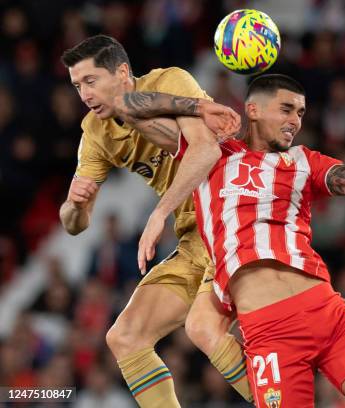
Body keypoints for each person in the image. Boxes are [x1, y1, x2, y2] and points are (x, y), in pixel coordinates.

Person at [135, 74, 345, 407]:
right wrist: (199, 106)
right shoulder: (209, 154)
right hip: (270, 332)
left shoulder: (303, 161)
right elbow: (132, 108)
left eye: (301, 113)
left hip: (327, 311)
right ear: (253, 109)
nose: (295, 120)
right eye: (286, 109)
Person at [59, 34, 252, 406]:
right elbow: (73, 224)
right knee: (125, 337)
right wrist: (77, 206)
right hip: (194, 239)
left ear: (122, 72)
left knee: (203, 327)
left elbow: (205, 149)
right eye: (77, 85)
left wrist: (159, 213)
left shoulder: (168, 82)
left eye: (90, 81)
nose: (84, 93)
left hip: (231, 215)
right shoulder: (95, 133)